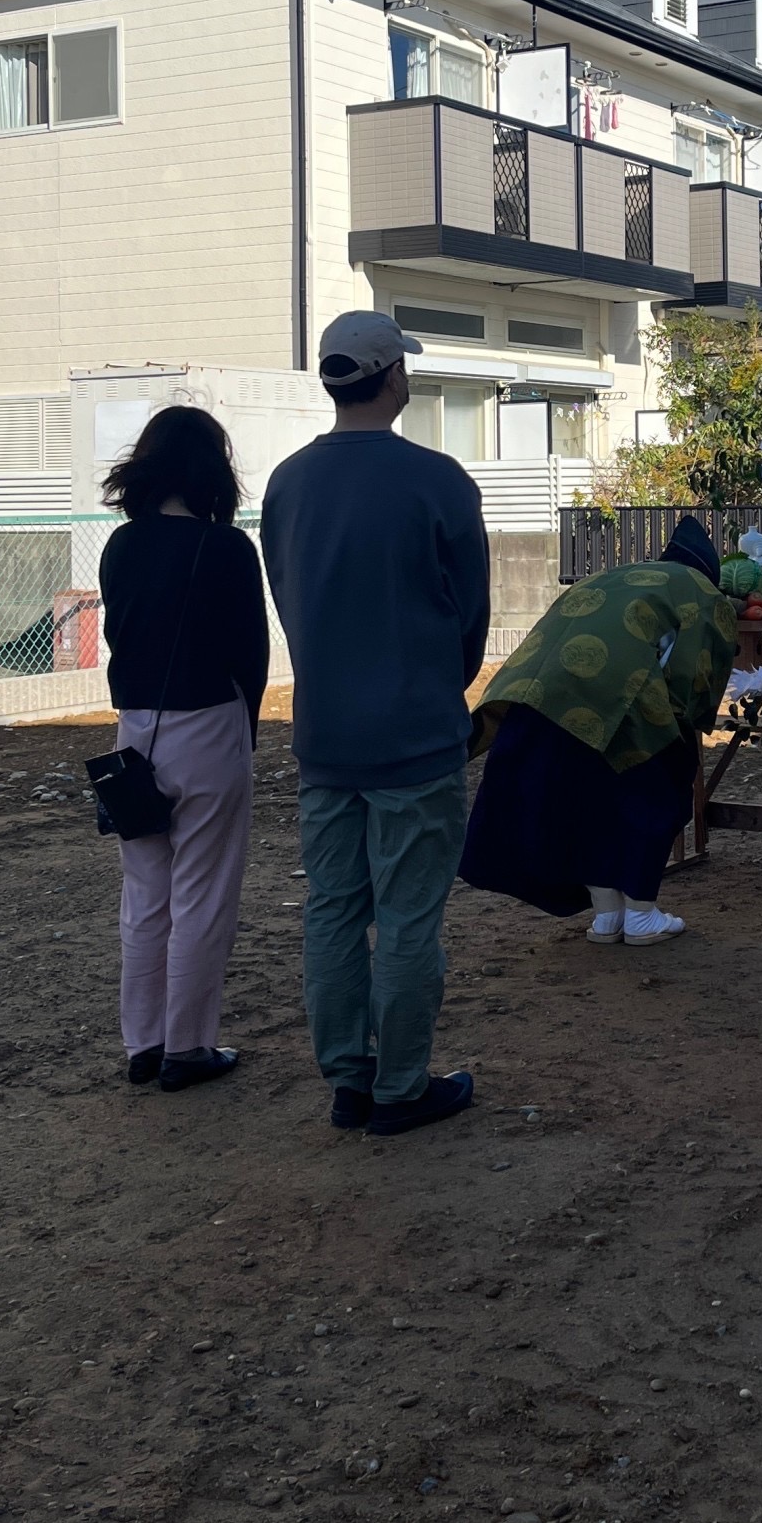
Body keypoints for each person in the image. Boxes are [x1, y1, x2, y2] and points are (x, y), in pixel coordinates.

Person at [260, 313, 491, 1137]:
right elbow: (471, 614)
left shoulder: (287, 483)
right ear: (393, 377)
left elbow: (290, 602)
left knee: (331, 907)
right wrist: (439, 684)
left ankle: (347, 1082)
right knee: (407, 917)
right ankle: (400, 1086)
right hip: (415, 734)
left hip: (325, 737)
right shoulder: (437, 480)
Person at [98, 406, 270, 1092]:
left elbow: (121, 641)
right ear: (211, 471)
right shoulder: (226, 549)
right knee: (201, 893)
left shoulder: (120, 546)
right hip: (209, 727)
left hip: (133, 733)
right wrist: (246, 734)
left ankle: (144, 1044)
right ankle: (189, 1049)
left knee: (144, 895)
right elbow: (250, 656)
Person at [460, 516, 737, 942]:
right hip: (612, 697)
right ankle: (642, 913)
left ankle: (607, 915)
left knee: (582, 802)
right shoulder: (702, 591)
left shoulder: (618, 576)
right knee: (658, 789)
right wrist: (689, 728)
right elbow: (693, 678)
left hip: (533, 698)